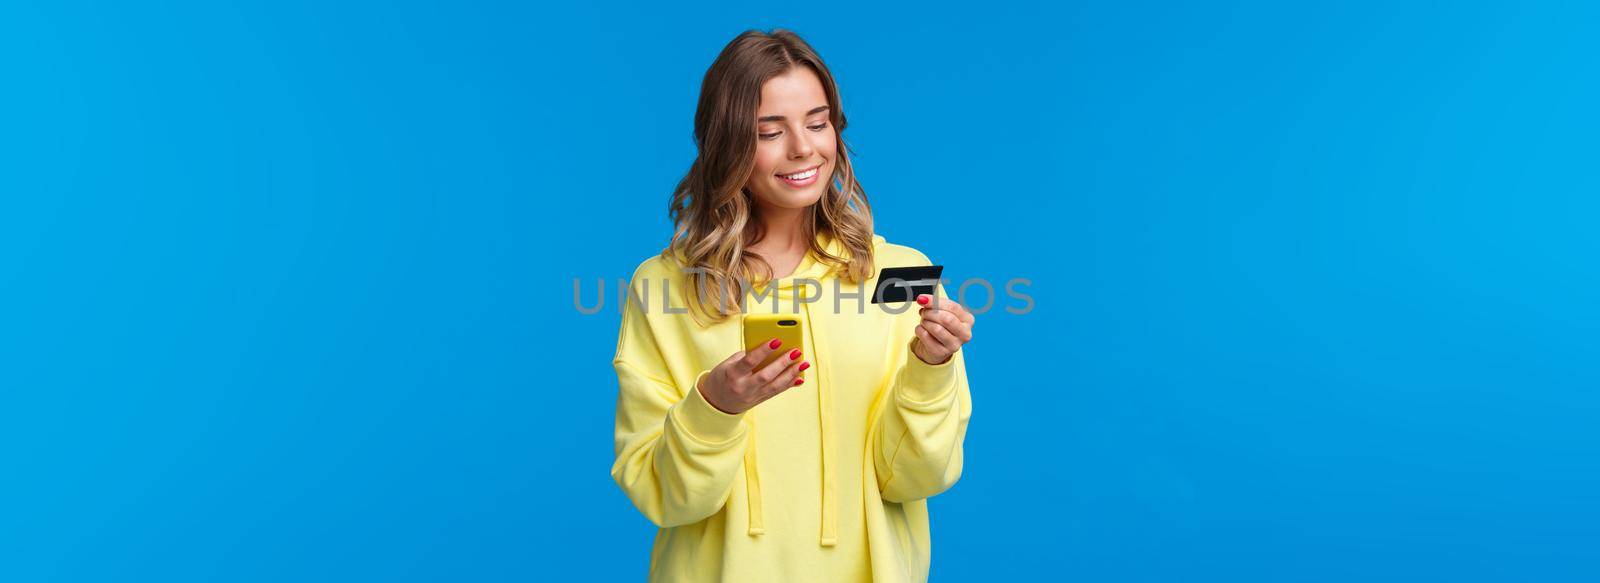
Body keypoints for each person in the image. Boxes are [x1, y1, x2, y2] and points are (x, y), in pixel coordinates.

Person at [610, 28, 975, 582]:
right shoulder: (666, 286)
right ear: (727, 143)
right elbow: (666, 498)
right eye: (769, 132)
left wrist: (931, 370)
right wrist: (715, 406)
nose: (804, 149)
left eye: (817, 121)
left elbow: (915, 479)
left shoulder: (899, 275)